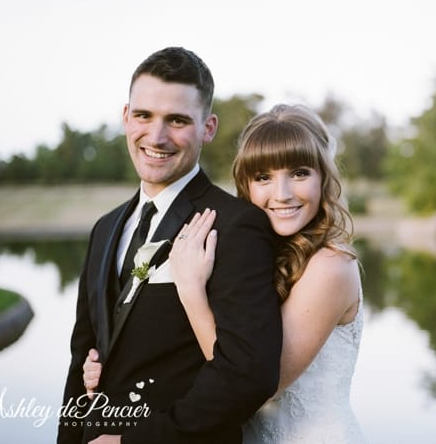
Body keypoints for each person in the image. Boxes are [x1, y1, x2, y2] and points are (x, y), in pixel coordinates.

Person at [83, 104, 366, 443]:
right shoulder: (259, 254)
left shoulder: (331, 267)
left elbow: (258, 386)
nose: (282, 194)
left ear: (323, 177)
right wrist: (109, 364)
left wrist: (191, 290)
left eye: (299, 173)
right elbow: (216, 349)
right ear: (245, 184)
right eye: (264, 177)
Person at [58, 47, 283, 444]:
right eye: (144, 116)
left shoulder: (236, 225)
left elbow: (248, 375)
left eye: (177, 120)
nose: (157, 136)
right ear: (126, 117)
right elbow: (82, 358)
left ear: (208, 128)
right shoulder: (104, 228)